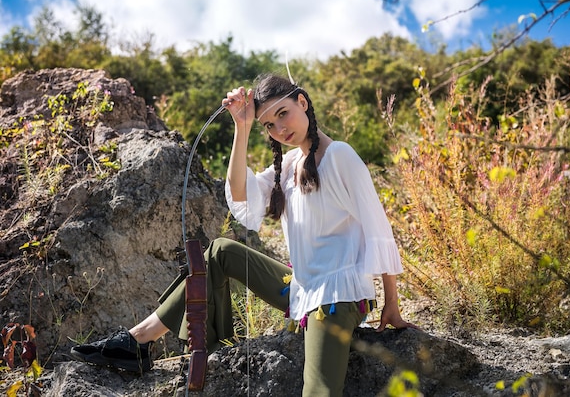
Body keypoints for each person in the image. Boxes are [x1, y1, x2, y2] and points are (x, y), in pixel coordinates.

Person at [70, 73, 416, 396]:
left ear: (303, 103)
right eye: (270, 124)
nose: (280, 128)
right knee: (221, 251)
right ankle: (137, 341)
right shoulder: (290, 165)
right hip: (301, 286)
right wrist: (243, 126)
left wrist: (392, 305)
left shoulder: (339, 155)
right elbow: (239, 193)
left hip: (336, 296)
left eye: (284, 113)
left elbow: (377, 228)